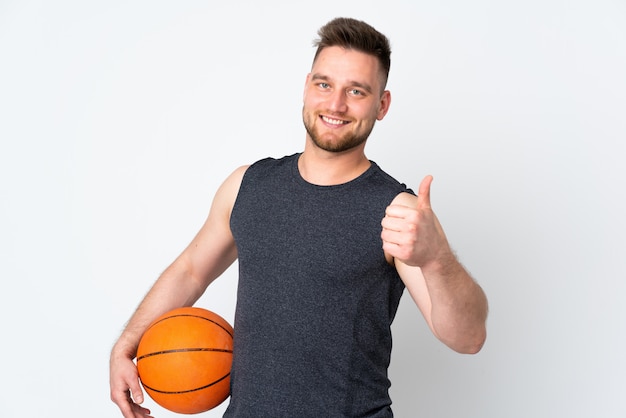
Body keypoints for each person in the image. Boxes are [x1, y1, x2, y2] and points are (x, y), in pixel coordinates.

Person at [110, 17, 488, 418]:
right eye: (324, 84)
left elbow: (469, 338)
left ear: (382, 105)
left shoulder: (399, 212)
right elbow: (190, 271)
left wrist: (436, 258)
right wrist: (126, 346)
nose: (335, 104)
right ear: (307, 87)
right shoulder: (247, 186)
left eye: (356, 91)